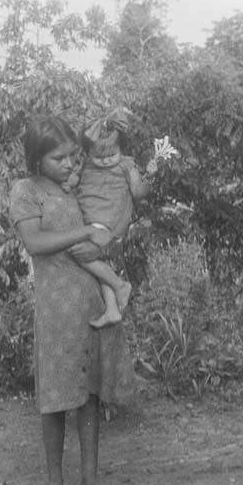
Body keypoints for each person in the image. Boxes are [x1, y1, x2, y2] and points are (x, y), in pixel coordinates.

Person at [9, 115, 136, 485]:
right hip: (55, 304)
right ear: (36, 158)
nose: (67, 164)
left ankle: (91, 477)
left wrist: (103, 245)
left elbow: (107, 229)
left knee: (90, 395)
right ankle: (53, 483)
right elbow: (34, 243)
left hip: (89, 300)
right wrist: (85, 234)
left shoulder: (75, 186)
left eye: (71, 156)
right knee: (56, 395)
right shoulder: (25, 190)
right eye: (57, 158)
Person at [68, 108, 157, 328]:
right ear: (88, 153)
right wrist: (74, 170)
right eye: (99, 157)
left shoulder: (126, 164)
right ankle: (111, 310)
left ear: (121, 149)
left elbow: (137, 192)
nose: (107, 161)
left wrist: (149, 177)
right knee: (97, 261)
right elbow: (70, 185)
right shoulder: (85, 164)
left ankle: (120, 286)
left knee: (79, 252)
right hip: (91, 221)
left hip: (109, 219)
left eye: (111, 155)